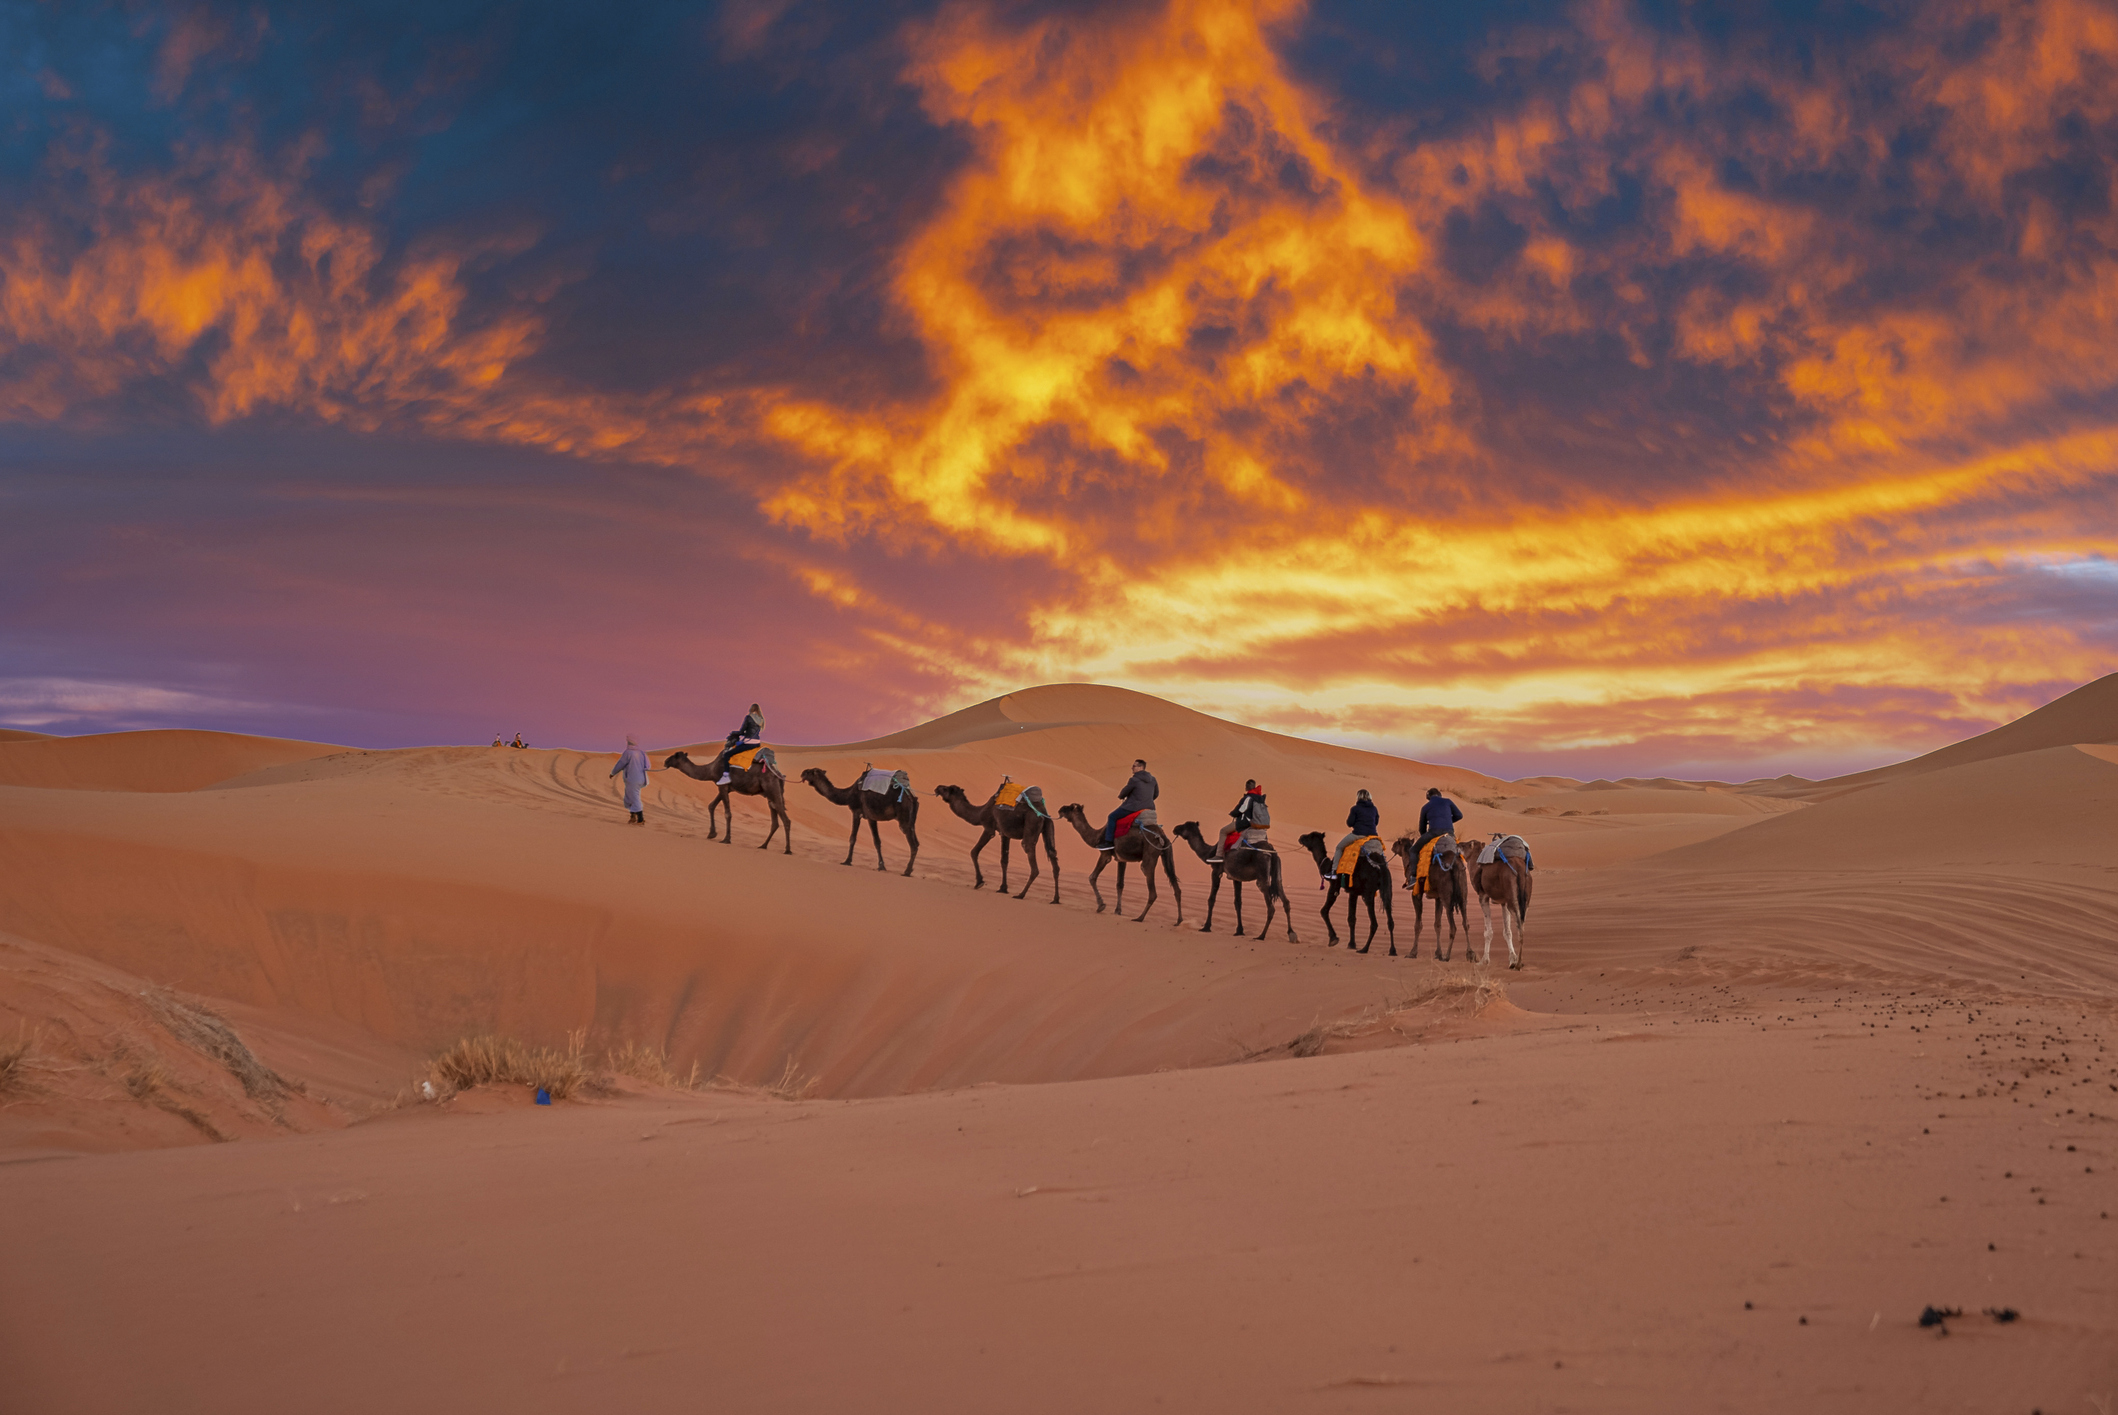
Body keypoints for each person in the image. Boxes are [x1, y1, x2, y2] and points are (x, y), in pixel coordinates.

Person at [1100, 758, 1158, 849]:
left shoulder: (1134, 779)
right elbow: (1156, 794)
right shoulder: (1153, 779)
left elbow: (1125, 791)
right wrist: (1146, 800)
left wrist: (1121, 796)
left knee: (1112, 816)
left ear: (1140, 767)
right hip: (1149, 807)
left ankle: (1109, 842)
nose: (1132, 768)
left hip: (1133, 807)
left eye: (1134, 766)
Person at [707, 703, 766, 778]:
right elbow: (751, 732)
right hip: (757, 743)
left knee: (727, 754)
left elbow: (741, 731)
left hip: (749, 743)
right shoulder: (761, 719)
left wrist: (733, 733)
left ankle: (726, 776)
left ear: (751, 709)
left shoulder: (748, 717)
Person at [1215, 780, 1268, 861]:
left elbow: (1241, 809)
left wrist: (1233, 813)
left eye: (1246, 786)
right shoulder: (1261, 799)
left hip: (1246, 823)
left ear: (1247, 787)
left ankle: (1219, 855)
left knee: (1223, 831)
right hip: (1259, 824)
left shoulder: (1248, 797)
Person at [1407, 786, 1463, 861]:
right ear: (1439, 794)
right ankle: (1463, 867)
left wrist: (1424, 837)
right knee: (1458, 851)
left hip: (1433, 833)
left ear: (1428, 797)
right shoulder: (1448, 801)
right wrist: (1448, 821)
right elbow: (1459, 815)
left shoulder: (1425, 807)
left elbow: (1422, 828)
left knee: (1413, 851)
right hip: (1449, 832)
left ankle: (1414, 869)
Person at [1333, 788, 1381, 872]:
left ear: (1358, 797)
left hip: (1358, 834)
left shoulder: (1355, 809)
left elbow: (1350, 823)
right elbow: (1376, 822)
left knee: (1339, 848)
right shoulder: (1374, 809)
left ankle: (1334, 871)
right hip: (1372, 836)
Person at [610, 734, 654, 824]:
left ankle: (640, 819)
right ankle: (633, 817)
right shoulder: (641, 752)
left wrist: (613, 773)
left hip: (632, 779)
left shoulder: (628, 753)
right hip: (641, 778)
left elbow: (620, 764)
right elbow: (648, 766)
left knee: (634, 798)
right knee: (629, 797)